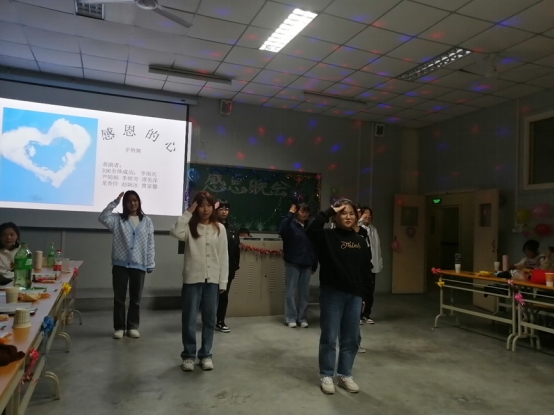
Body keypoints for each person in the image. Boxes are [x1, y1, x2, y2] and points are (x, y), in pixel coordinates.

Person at [306, 199, 372, 395]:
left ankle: (345, 375)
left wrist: (364, 296)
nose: (348, 216)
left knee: (351, 338)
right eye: (343, 213)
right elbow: (311, 230)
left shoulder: (361, 241)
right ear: (335, 217)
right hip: (332, 294)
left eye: (352, 213)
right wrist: (328, 211)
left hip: (354, 296)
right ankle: (326, 374)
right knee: (329, 336)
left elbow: (365, 270)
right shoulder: (327, 236)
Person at [170, 191, 228, 372]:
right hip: (192, 280)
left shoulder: (220, 228)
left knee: (209, 320)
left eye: (209, 205)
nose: (205, 209)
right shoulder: (189, 226)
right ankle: (188, 355)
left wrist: (223, 282)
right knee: (189, 319)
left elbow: (223, 256)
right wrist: (189, 211)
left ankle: (206, 354)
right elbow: (174, 232)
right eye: (201, 205)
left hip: (212, 281)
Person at [98, 191, 155, 340]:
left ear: (139, 202)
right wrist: (115, 202)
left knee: (136, 299)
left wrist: (150, 263)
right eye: (129, 201)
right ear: (125, 204)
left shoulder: (147, 221)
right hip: (120, 265)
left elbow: (150, 244)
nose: (132, 203)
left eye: (135, 200)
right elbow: (102, 217)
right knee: (119, 298)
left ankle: (132, 326)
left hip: (139, 265)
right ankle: (119, 327)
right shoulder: (118, 220)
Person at [279, 203, 317, 328]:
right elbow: (282, 230)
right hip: (293, 262)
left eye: (306, 212)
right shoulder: (290, 225)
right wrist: (290, 213)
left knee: (304, 293)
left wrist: (314, 263)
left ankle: (302, 318)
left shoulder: (310, 227)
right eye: (302, 211)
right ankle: (290, 318)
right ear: (296, 212)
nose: (305, 214)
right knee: (291, 291)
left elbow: (314, 247)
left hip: (307, 263)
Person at [215, 199, 241, 333]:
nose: (224, 212)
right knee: (211, 296)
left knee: (224, 295)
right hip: (213, 267)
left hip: (228, 268)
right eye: (221, 209)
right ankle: (209, 320)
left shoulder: (233, 229)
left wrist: (235, 265)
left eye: (226, 209)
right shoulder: (211, 226)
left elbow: (236, 249)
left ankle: (220, 321)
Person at [359, 207, 383, 324]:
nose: (367, 216)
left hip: (372, 265)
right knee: (360, 291)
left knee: (370, 291)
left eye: (369, 214)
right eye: (365, 214)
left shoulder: (374, 229)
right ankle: (357, 315)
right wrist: (360, 219)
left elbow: (377, 248)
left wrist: (379, 262)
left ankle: (366, 314)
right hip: (361, 265)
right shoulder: (358, 228)